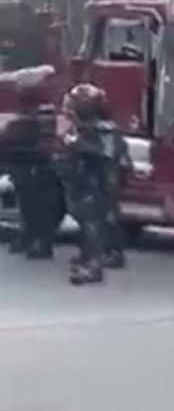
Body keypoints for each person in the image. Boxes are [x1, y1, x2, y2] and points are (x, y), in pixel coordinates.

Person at [0, 66, 60, 259]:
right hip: (25, 164)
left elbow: (37, 139)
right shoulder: (30, 113)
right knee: (28, 203)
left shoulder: (42, 114)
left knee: (39, 205)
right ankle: (30, 236)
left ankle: (41, 241)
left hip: (37, 166)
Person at [59, 84, 112, 285]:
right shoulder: (82, 129)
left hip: (94, 183)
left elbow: (104, 155)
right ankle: (87, 259)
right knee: (85, 224)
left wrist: (76, 145)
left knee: (92, 225)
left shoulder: (102, 130)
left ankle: (94, 266)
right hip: (82, 182)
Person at [94, 104, 130, 269]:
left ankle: (114, 253)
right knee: (108, 216)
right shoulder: (115, 133)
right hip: (112, 177)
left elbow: (107, 155)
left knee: (108, 217)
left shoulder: (105, 133)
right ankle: (110, 253)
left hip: (106, 177)